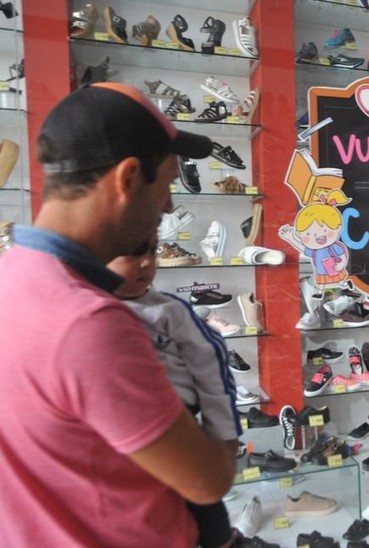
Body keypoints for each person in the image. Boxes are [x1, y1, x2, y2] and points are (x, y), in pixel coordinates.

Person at [0, 83, 237, 546]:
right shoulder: (88, 323)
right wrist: (221, 434)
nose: (169, 205)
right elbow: (206, 481)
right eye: (166, 184)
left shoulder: (12, 274)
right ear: (128, 178)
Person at [107, 236, 242, 548]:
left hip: (177, 417)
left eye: (152, 251)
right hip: (122, 424)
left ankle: (223, 540)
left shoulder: (167, 308)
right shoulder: (88, 308)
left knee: (202, 500)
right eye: (131, 253)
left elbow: (210, 365)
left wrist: (223, 431)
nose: (146, 262)